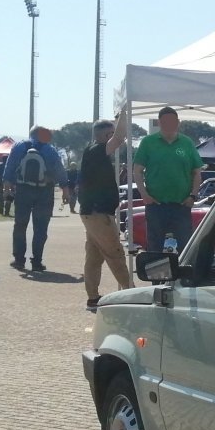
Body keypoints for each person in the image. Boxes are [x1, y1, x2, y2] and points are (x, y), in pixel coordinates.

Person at [79, 118, 133, 310]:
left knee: (94, 257)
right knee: (115, 253)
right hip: (98, 213)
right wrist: (123, 115)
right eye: (110, 133)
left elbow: (118, 139)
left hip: (92, 212)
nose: (114, 137)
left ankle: (93, 297)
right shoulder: (97, 150)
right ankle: (131, 292)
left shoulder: (92, 151)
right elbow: (119, 138)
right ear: (103, 135)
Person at [134, 106, 202, 252]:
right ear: (159, 123)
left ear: (178, 122)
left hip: (181, 205)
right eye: (166, 121)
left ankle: (183, 268)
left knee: (186, 247)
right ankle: (156, 268)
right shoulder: (148, 142)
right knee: (154, 248)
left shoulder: (187, 143)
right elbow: (137, 171)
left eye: (173, 121)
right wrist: (144, 195)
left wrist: (193, 196)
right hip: (156, 206)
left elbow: (197, 172)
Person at [2, 125, 65, 272]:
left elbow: (9, 168)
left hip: (23, 190)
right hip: (44, 192)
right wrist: (65, 190)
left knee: (20, 225)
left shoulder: (19, 146)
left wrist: (7, 189)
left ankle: (19, 260)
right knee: (40, 228)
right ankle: (37, 261)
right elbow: (60, 171)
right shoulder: (50, 149)